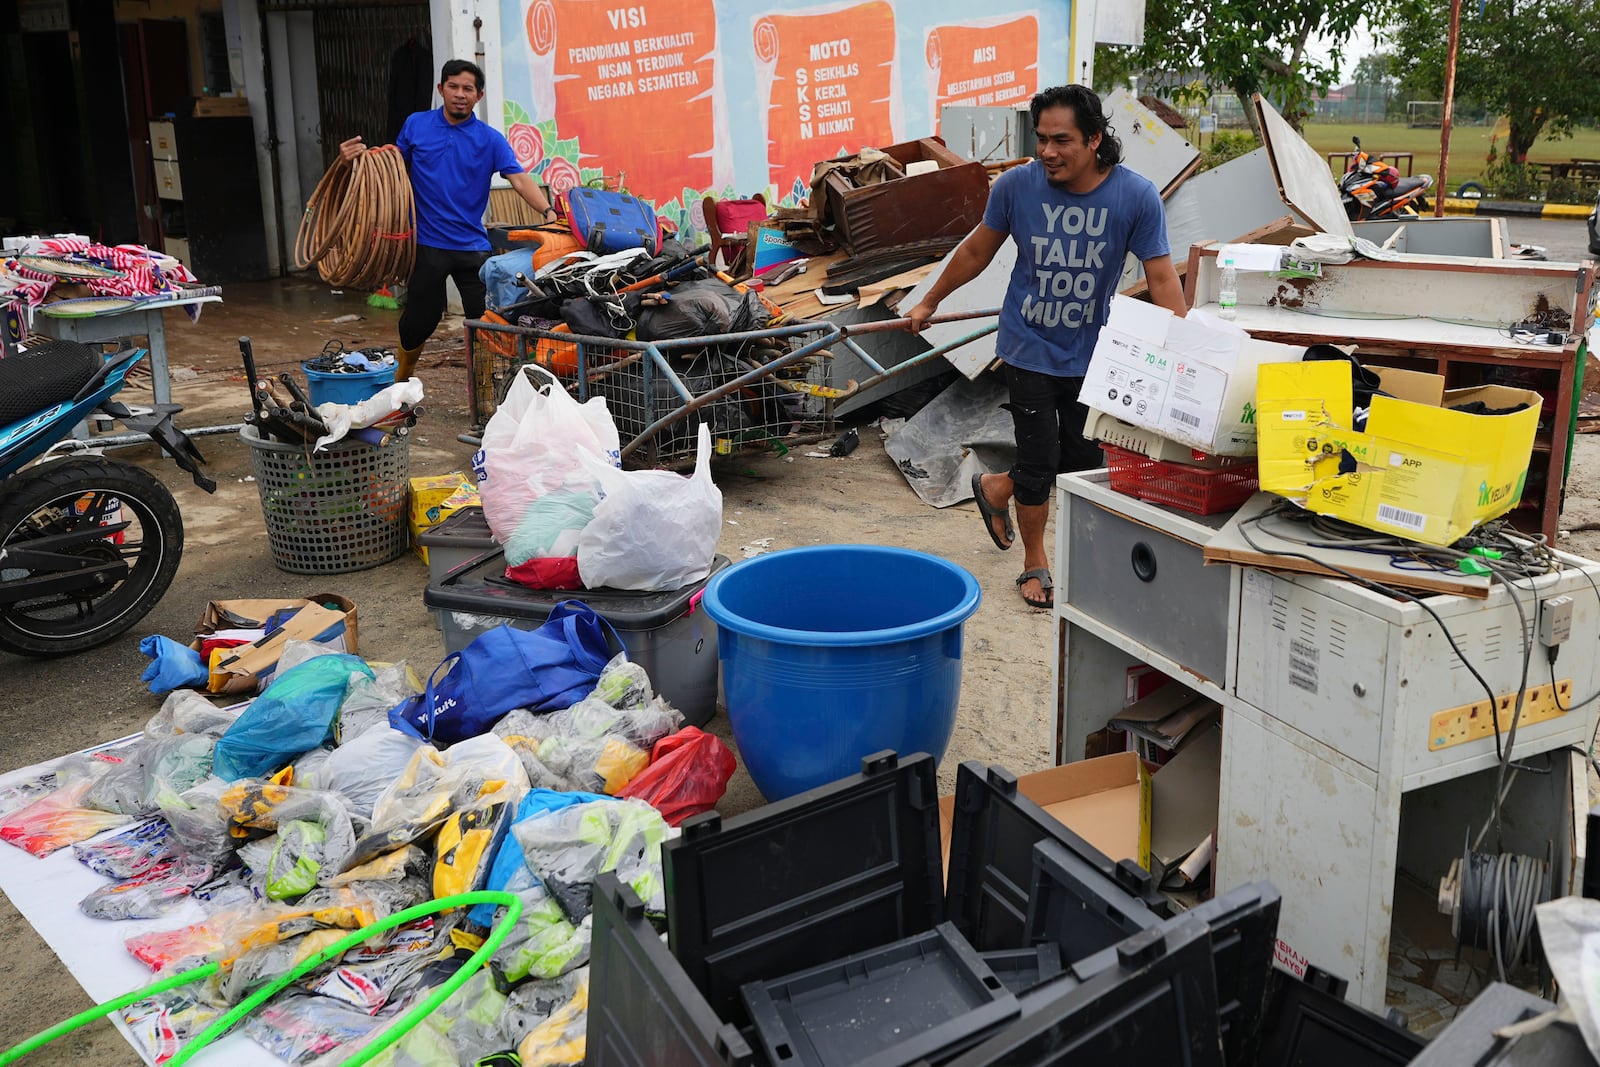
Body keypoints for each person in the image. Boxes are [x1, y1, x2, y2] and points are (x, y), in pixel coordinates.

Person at [909, 84, 1187, 610]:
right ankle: (1035, 562)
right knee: (1040, 460)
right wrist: (929, 301)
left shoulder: (1135, 196)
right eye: (1041, 140)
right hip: (1027, 346)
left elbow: (1162, 277)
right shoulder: (1016, 187)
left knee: (1081, 462)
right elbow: (976, 251)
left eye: (1061, 140)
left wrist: (1185, 342)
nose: (1047, 152)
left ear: (1095, 140)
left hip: (1092, 354)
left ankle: (996, 488)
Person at [339, 58, 557, 381]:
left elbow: (520, 179)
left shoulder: (490, 139)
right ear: (440, 89)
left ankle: (482, 394)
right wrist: (353, 162)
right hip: (427, 245)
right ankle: (402, 379)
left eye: (467, 88)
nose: (459, 94)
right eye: (452, 86)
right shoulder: (416, 125)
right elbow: (389, 169)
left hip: (472, 246)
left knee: (484, 322)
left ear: (478, 95)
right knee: (418, 321)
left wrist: (549, 213)